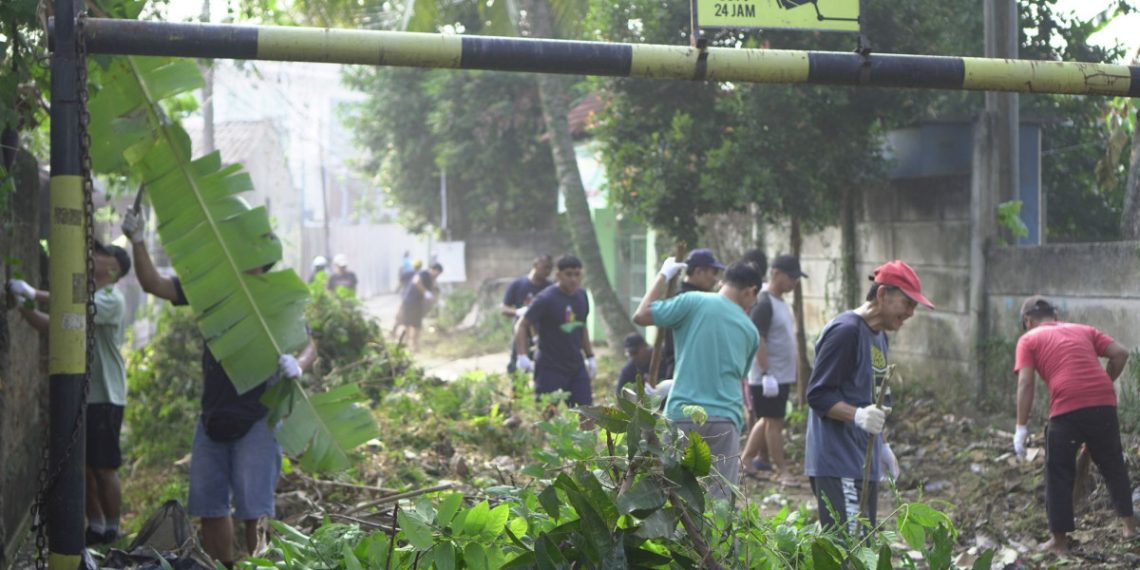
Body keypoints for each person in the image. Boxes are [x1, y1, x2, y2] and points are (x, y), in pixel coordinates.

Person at [122, 210, 315, 568]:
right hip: (212, 418)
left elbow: (308, 344)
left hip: (259, 418)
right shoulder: (214, 292)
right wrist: (136, 240)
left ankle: (261, 565)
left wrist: (297, 365)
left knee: (255, 512)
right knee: (210, 509)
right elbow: (155, 284)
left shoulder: (277, 299)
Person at [8, 240, 132, 545]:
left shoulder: (111, 299)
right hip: (86, 395)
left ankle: (114, 528)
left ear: (114, 269)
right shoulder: (88, 300)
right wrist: (23, 305)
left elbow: (71, 307)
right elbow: (53, 325)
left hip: (106, 395)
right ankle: (97, 526)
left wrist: (33, 293)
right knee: (84, 466)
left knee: (104, 468)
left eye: (103, 254)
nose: (95, 256)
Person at [804, 260, 932, 535]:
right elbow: (818, 394)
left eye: (914, 306)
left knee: (863, 547)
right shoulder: (846, 331)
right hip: (838, 461)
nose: (911, 313)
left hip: (863, 460)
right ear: (882, 294)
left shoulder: (879, 337)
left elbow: (874, 397)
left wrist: (882, 447)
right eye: (908, 303)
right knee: (848, 550)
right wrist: (858, 415)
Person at [1013, 296, 1136, 555]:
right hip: (1103, 405)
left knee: (1058, 472)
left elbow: (1026, 384)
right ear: (1054, 317)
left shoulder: (1028, 339)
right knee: (1113, 464)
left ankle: (1059, 542)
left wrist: (1021, 427)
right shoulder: (1084, 330)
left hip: (1066, 408)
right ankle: (1129, 528)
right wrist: (1103, 381)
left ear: (1028, 321)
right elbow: (1121, 354)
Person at [633, 258, 763, 500]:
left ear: (724, 282)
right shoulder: (750, 330)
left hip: (682, 416)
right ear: (751, 291)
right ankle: (712, 539)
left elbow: (641, 315)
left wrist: (662, 275)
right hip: (725, 419)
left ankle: (675, 538)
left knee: (670, 495)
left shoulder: (693, 301)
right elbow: (735, 377)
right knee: (720, 500)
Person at [741, 254, 805, 485]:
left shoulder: (778, 301)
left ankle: (746, 459)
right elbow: (758, 338)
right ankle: (782, 470)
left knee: (768, 420)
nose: (794, 283)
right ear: (776, 274)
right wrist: (766, 371)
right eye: (791, 277)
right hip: (769, 376)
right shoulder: (764, 302)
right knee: (774, 423)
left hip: (778, 375)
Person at [515, 255, 596, 406]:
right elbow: (522, 324)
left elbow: (582, 326)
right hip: (550, 366)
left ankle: (585, 431)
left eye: (577, 274)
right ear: (558, 275)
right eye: (569, 274)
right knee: (548, 413)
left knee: (587, 413)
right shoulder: (545, 299)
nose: (573, 279)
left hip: (576, 365)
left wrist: (590, 357)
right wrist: (522, 356)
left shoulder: (582, 296)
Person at [660, 248, 725, 378]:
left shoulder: (698, 296)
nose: (715, 279)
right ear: (698, 271)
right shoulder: (686, 299)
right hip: (684, 371)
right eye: (713, 273)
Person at [501, 254, 553, 373]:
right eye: (545, 267)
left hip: (543, 333)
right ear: (535, 265)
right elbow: (504, 308)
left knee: (546, 365)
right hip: (522, 331)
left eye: (550, 268)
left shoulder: (550, 288)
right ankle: (517, 390)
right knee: (517, 366)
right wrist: (518, 312)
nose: (547, 271)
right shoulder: (518, 285)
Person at [396, 262, 443, 352]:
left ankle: (408, 346)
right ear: (435, 270)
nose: (437, 276)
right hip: (412, 302)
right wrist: (426, 292)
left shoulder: (428, 277)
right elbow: (416, 281)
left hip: (412, 302)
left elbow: (433, 288)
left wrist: (436, 299)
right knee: (411, 325)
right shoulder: (424, 274)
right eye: (438, 273)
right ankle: (409, 346)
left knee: (412, 324)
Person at [615, 332, 667, 397]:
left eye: (635, 352)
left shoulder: (662, 355)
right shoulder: (629, 369)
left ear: (644, 347)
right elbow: (619, 393)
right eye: (630, 354)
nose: (633, 357)